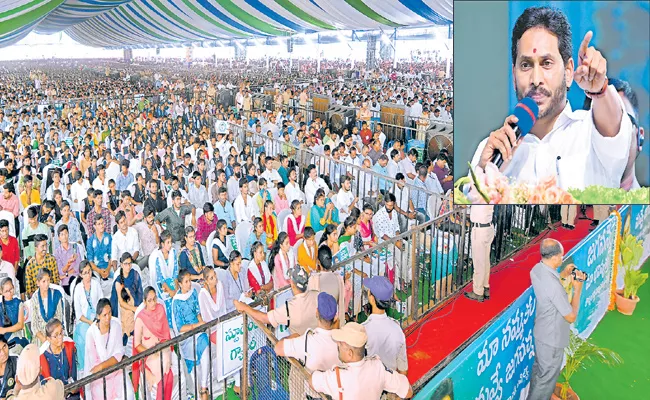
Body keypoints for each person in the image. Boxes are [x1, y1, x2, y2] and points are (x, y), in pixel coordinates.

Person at [470, 6, 633, 190]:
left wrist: (601, 90)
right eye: (526, 65)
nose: (536, 79)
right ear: (514, 76)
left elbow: (615, 131)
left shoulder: (591, 133)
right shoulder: (492, 150)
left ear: (569, 71)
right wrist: (484, 173)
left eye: (546, 63)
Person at [527, 239, 586, 400]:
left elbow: (549, 289)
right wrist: (577, 290)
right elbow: (571, 316)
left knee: (539, 374)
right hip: (552, 339)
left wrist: (563, 275)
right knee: (546, 380)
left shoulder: (537, 269)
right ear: (554, 258)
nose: (562, 258)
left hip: (541, 333)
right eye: (561, 256)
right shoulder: (554, 287)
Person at [309, 322, 413, 399]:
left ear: (350, 353)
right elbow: (408, 391)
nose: (337, 346)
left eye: (340, 345)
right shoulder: (378, 367)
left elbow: (312, 381)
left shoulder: (336, 376)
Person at [235, 266, 319, 335]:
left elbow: (265, 318)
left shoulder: (289, 308)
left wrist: (245, 307)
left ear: (292, 285)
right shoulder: (317, 296)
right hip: (315, 343)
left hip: (299, 349)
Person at [171, 269, 211, 400]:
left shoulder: (193, 292)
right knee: (195, 368)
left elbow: (197, 310)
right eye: (186, 281)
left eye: (190, 280)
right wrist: (195, 326)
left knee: (205, 347)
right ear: (180, 284)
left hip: (198, 331)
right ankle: (199, 393)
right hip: (187, 337)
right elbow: (180, 327)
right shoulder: (176, 302)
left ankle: (204, 387)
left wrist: (201, 323)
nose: (189, 284)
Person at [85, 298, 135, 400]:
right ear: (98, 316)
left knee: (128, 393)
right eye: (104, 315)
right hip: (99, 377)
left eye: (109, 313)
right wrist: (102, 368)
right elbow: (94, 363)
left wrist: (103, 366)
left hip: (116, 369)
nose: (108, 317)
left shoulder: (116, 325)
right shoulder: (91, 333)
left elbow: (119, 353)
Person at [133, 286, 174, 400]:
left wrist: (162, 347)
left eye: (154, 299)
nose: (153, 303)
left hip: (163, 348)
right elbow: (137, 344)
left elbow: (166, 333)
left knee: (168, 374)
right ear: (144, 302)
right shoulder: (140, 319)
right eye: (149, 300)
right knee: (163, 375)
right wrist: (150, 352)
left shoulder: (160, 309)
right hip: (149, 354)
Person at [362, 276, 408, 375]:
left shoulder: (363, 329)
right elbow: (403, 370)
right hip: (390, 381)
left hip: (370, 382)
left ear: (371, 298)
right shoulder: (397, 329)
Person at [72, 260, 102, 376]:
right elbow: (78, 314)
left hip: (97, 317)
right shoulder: (78, 289)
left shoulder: (96, 284)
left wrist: (97, 319)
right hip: (84, 321)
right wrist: (90, 322)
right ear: (80, 274)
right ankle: (85, 371)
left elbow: (101, 302)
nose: (88, 275)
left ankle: (98, 365)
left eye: (89, 272)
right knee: (83, 340)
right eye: (85, 273)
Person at [39, 319, 80, 397]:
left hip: (71, 395)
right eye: (56, 335)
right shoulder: (43, 358)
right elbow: (44, 384)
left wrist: (72, 387)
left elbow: (74, 374)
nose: (60, 337)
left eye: (61, 332)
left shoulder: (68, 348)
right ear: (48, 339)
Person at [308, 246, 347, 324]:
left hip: (320, 324)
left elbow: (311, 304)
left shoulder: (313, 279)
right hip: (334, 323)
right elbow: (342, 301)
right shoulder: (338, 278)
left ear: (318, 262)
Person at [111, 252, 144, 345]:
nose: (128, 266)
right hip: (124, 309)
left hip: (136, 305)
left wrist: (137, 307)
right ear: (121, 265)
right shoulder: (118, 281)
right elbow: (120, 302)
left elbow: (140, 292)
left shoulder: (135, 274)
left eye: (130, 263)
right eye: (125, 264)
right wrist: (133, 309)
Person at [149, 230, 180, 327]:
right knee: (168, 299)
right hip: (161, 285)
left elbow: (175, 272)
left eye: (171, 242)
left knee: (179, 296)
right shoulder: (156, 256)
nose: (170, 245)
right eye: (168, 242)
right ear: (162, 244)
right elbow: (160, 278)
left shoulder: (173, 253)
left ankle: (179, 325)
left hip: (172, 282)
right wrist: (170, 291)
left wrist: (175, 289)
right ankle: (169, 326)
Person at [465, 205, 495, 302]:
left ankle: (478, 291)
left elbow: (463, 204)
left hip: (480, 230)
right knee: (486, 260)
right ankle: (485, 286)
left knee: (479, 262)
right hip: (489, 227)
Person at [29, 268, 64, 346]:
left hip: (55, 333)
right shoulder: (34, 298)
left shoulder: (56, 295)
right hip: (40, 335)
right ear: (38, 283)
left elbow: (59, 318)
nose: (47, 284)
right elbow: (34, 325)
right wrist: (44, 340)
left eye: (48, 280)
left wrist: (53, 337)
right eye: (43, 281)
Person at [86, 215, 113, 296]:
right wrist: (99, 271)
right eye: (99, 224)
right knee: (95, 283)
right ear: (94, 226)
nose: (101, 226)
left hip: (108, 267)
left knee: (118, 278)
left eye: (102, 223)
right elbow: (90, 261)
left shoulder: (108, 237)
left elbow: (111, 255)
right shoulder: (90, 241)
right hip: (96, 269)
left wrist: (108, 269)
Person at [198, 267, 226, 345]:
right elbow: (206, 316)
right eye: (211, 278)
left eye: (215, 275)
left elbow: (223, 307)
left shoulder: (219, 285)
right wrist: (217, 325)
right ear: (206, 281)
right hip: (213, 328)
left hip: (224, 321)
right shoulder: (202, 294)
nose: (215, 279)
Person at [0, 278, 27, 352]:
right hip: (3, 341)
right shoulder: (0, 307)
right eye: (6, 291)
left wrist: (4, 330)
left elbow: (20, 325)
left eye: (11, 289)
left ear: (13, 287)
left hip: (17, 338)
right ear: (1, 292)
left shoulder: (19, 303)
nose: (9, 292)